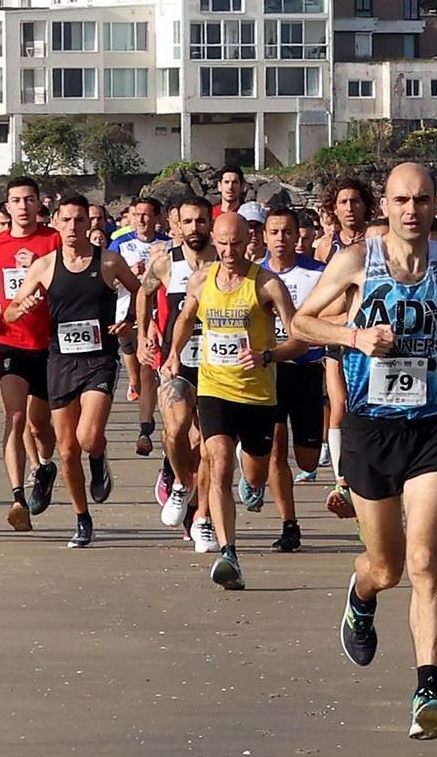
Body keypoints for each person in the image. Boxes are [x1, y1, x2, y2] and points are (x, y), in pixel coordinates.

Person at [290, 162, 437, 740]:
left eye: (423, 200)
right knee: (386, 566)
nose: (413, 211)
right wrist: (354, 336)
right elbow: (303, 323)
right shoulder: (359, 261)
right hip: (369, 429)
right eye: (402, 201)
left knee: (426, 560)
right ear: (387, 204)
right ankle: (360, 595)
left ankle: (426, 690)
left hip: (431, 427)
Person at [165, 211, 306, 591]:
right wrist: (174, 354)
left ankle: (254, 482)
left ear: (251, 242)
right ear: (214, 239)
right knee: (220, 462)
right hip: (215, 388)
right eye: (223, 243)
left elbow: (299, 338)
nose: (229, 251)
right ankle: (229, 552)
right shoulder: (201, 279)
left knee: (255, 473)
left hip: (258, 394)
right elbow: (184, 318)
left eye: (237, 244)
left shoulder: (267, 284)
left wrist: (268, 356)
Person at [3, 196, 141, 548]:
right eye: (66, 220)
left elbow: (141, 293)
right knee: (65, 451)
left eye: (80, 221)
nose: (72, 228)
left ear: (90, 224)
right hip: (61, 361)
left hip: (99, 360)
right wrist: (25, 306)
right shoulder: (44, 266)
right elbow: (10, 313)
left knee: (88, 436)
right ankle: (82, 518)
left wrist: (130, 322)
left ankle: (99, 456)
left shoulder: (109, 261)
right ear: (57, 223)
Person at [0, 177, 62, 532]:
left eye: (29, 200)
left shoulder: (54, 240)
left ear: (39, 204)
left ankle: (45, 466)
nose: (22, 207)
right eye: (15, 201)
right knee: (14, 417)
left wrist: (40, 262)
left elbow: (72, 283)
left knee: (41, 425)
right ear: (6, 207)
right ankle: (17, 497)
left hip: (51, 343)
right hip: (11, 341)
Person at [135, 199, 217, 547]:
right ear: (178, 226)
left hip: (217, 365)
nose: (195, 228)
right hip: (176, 361)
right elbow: (143, 291)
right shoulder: (167, 262)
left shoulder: (223, 261)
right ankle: (180, 482)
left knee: (207, 445)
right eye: (188, 222)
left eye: (201, 221)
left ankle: (200, 514)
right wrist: (143, 333)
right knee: (176, 429)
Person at [259, 204, 324, 552]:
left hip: (308, 369)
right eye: (274, 232)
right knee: (275, 447)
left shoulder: (318, 273)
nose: (281, 238)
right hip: (268, 370)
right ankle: (289, 525)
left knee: (308, 460)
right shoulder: (255, 277)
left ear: (298, 234)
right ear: (265, 236)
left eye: (287, 231)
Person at [315, 176, 376, 516]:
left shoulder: (378, 241)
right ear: (333, 209)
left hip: (369, 335)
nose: (350, 208)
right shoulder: (326, 247)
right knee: (338, 407)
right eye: (343, 202)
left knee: (361, 410)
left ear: (367, 205)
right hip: (337, 331)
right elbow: (321, 299)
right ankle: (342, 483)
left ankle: (365, 486)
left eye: (355, 201)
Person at [110, 196, 169, 453]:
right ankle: (136, 389)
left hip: (161, 316)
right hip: (128, 314)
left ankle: (146, 427)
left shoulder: (167, 245)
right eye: (137, 214)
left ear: (157, 218)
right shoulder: (120, 244)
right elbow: (108, 280)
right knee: (138, 371)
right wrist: (128, 273)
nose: (141, 220)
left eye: (146, 214)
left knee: (150, 371)